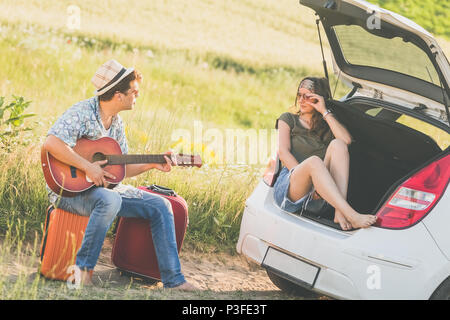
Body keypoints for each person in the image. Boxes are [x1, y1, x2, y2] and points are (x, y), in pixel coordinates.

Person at [43, 59, 198, 290]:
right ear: (118, 95)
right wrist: (88, 167)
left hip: (103, 192)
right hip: (69, 191)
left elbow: (120, 171)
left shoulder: (117, 124)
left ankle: (173, 281)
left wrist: (153, 164)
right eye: (134, 92)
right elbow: (51, 143)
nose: (137, 96)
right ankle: (82, 272)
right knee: (111, 199)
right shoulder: (82, 112)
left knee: (161, 205)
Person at [274, 77, 377, 230]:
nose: (301, 100)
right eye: (299, 95)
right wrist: (308, 179)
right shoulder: (288, 119)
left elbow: (346, 140)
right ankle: (351, 215)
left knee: (338, 145)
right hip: (291, 187)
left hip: (319, 195)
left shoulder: (328, 126)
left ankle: (339, 213)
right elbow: (283, 152)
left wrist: (323, 111)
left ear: (318, 98)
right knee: (314, 161)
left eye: (307, 96)